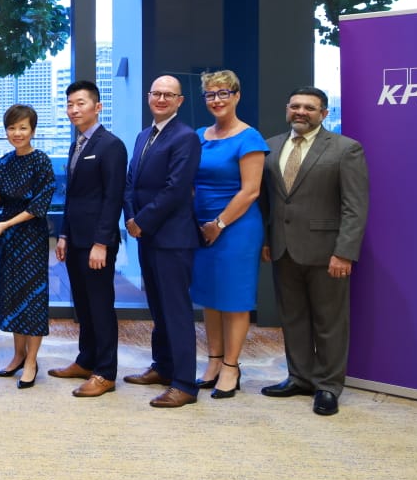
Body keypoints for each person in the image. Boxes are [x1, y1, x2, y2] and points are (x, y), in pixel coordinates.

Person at [260, 86, 369, 417]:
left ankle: (328, 386)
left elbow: (355, 206)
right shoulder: (271, 146)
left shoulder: (345, 149)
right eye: (295, 106)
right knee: (293, 318)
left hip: (327, 252)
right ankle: (300, 377)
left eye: (310, 107)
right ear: (287, 109)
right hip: (283, 248)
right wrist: (267, 239)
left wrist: (345, 252)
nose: (301, 112)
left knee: (330, 322)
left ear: (324, 113)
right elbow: (269, 201)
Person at [123, 75, 203, 408]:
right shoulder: (144, 135)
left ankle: (184, 384)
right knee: (157, 308)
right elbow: (131, 183)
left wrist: (142, 220)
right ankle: (163, 367)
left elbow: (176, 188)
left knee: (176, 311)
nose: (161, 99)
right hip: (147, 236)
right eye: (156, 93)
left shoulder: (185, 138)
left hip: (171, 238)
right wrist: (131, 217)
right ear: (148, 97)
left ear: (180, 101)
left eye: (168, 94)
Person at [190, 70, 269, 400]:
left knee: (234, 300)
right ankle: (213, 360)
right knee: (210, 297)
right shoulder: (198, 135)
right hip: (200, 227)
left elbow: (251, 191)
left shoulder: (249, 138)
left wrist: (218, 224)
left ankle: (232, 367)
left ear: (237, 96)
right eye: (210, 94)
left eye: (224, 93)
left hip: (235, 228)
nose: (217, 99)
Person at [47, 81, 128, 399]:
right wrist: (63, 234)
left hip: (97, 243)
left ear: (97, 107)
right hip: (76, 239)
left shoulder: (111, 145)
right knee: (82, 304)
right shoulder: (76, 144)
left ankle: (105, 372)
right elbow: (73, 197)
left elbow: (113, 198)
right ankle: (86, 360)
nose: (73, 109)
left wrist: (101, 243)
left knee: (100, 306)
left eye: (80, 103)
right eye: (69, 104)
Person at [0, 104, 56, 390]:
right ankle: (16, 355)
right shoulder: (5, 161)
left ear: (33, 130)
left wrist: (7, 224)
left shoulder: (41, 161)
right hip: (9, 238)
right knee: (13, 295)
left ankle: (31, 361)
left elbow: (39, 205)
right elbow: (1, 200)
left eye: (23, 127)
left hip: (31, 237)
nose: (17, 133)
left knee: (33, 298)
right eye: (12, 128)